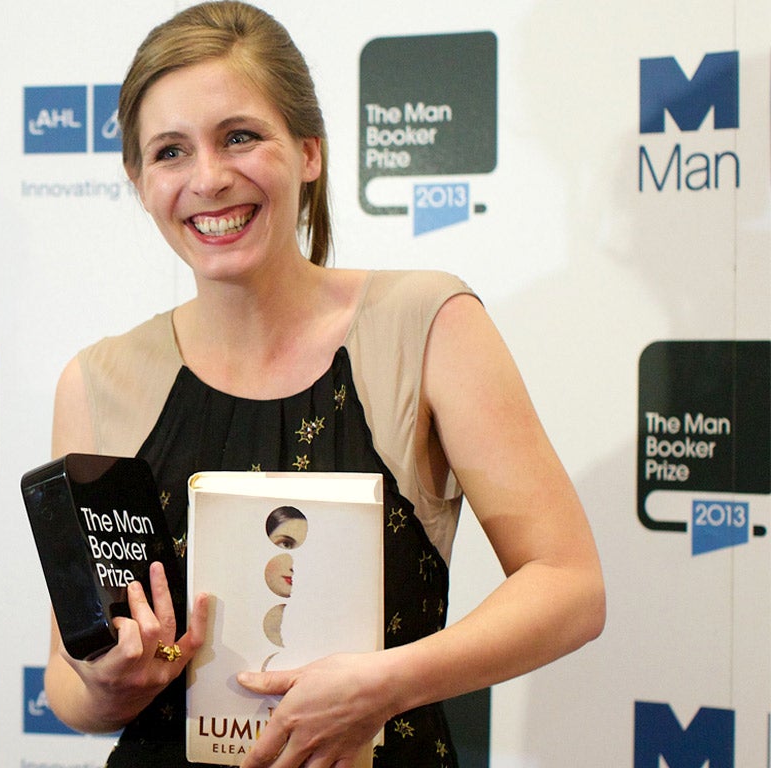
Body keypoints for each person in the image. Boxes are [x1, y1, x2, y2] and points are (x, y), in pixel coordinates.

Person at [43, 2, 606, 766]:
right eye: (170, 152)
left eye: (239, 137)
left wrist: (386, 682)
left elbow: (569, 585)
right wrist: (112, 683)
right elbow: (69, 689)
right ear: (140, 181)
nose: (208, 178)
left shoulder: (426, 323)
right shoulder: (97, 383)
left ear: (309, 152)